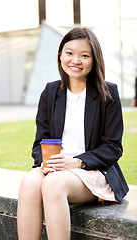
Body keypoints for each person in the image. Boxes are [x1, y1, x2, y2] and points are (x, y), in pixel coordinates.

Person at [17, 27, 129, 240]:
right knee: (29, 181)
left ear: (94, 60)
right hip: (57, 169)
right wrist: (47, 163)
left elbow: (113, 147)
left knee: (53, 184)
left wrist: (77, 163)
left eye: (84, 55)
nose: (75, 60)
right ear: (60, 55)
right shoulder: (51, 92)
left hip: (94, 171)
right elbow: (39, 142)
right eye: (69, 53)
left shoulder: (108, 94)